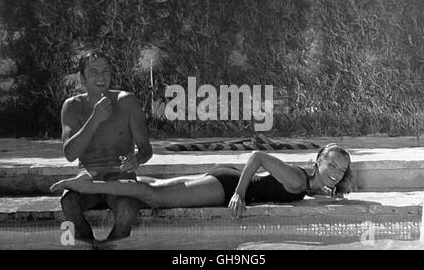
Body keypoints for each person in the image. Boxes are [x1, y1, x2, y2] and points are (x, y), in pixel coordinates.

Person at [52, 144, 354, 220]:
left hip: (226, 178)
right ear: (318, 162)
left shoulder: (308, 184)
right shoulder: (299, 180)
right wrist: (238, 195)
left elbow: (311, 191)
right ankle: (91, 186)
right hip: (225, 186)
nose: (336, 173)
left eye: (341, 170)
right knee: (155, 195)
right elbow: (258, 156)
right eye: (332, 165)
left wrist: (331, 195)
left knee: (156, 185)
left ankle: (100, 177)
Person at [59, 50, 153, 241]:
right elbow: (70, 153)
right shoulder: (72, 106)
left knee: (127, 210)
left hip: (120, 178)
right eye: (94, 72)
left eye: (106, 72)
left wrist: (136, 160)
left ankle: (111, 246)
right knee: (68, 202)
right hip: (88, 177)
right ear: (82, 77)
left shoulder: (127, 102)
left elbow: (146, 149)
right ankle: (88, 244)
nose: (101, 77)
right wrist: (95, 119)